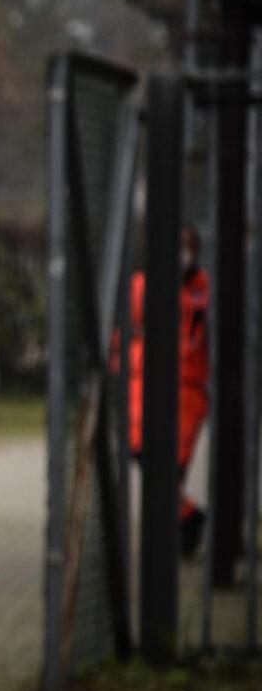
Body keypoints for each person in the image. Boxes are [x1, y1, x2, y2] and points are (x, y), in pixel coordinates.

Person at [129, 224, 212, 559]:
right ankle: (188, 515)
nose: (182, 254)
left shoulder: (206, 290)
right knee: (142, 450)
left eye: (188, 247)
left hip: (189, 387)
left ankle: (184, 521)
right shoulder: (141, 286)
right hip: (144, 380)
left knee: (172, 465)